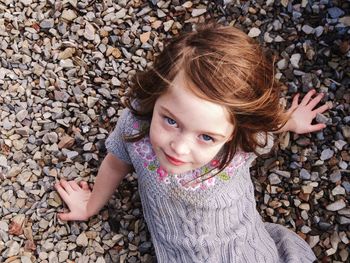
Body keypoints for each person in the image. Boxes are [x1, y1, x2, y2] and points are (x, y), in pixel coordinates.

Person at [55, 24, 329, 262]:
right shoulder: (136, 127)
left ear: (234, 133)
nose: (180, 148)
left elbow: (266, 125)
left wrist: (293, 121)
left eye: (206, 137)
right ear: (157, 94)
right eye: (171, 121)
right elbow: (115, 163)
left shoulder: (242, 145)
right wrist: (91, 204)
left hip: (245, 248)